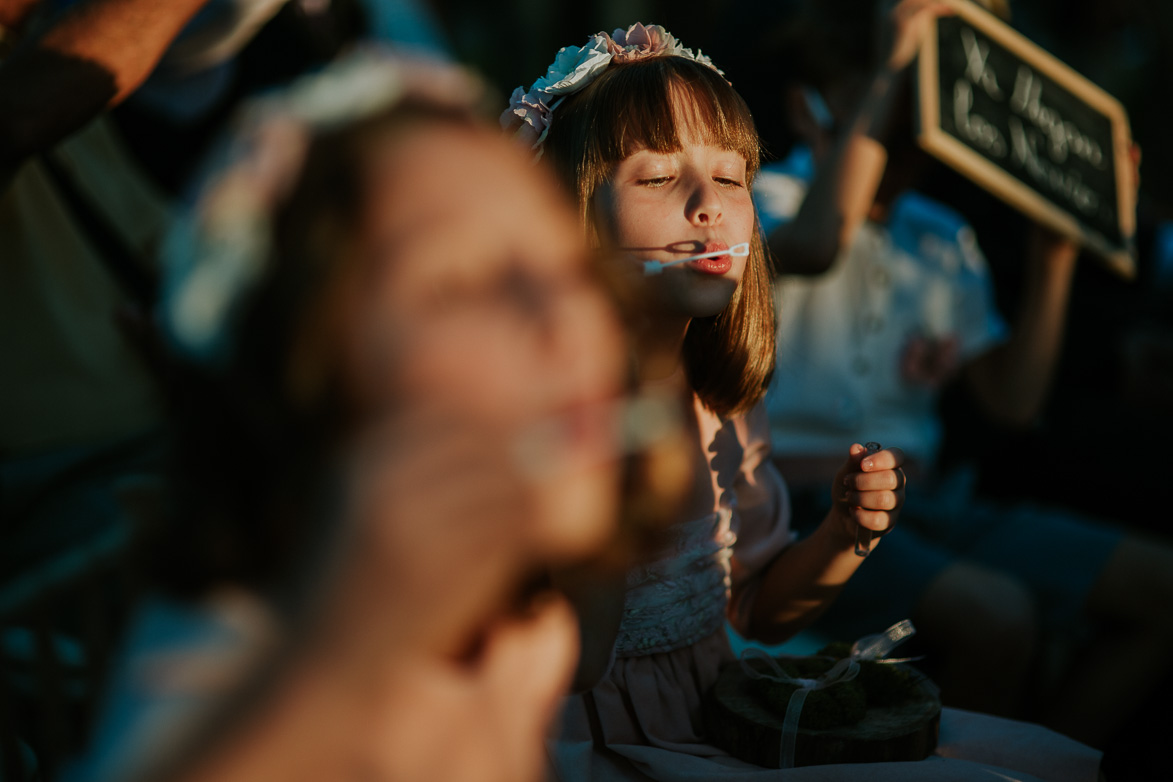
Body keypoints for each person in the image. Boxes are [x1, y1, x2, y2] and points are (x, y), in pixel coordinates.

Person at [503, 21, 1100, 782]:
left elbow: (759, 611)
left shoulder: (722, 402)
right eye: (655, 178)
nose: (708, 207)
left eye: (729, 178)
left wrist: (845, 532)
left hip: (719, 717)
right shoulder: (541, 418)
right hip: (590, 748)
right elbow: (573, 667)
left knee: (1060, 765)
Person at [63, 49, 642, 782]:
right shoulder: (224, 650)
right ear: (293, 377)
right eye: (464, 284)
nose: (560, 314)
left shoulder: (524, 633)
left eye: (569, 269)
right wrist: (344, 658)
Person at [752, 0, 1173, 751]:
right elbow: (819, 243)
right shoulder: (764, 202)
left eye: (914, 108)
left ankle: (1036, 764)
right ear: (806, 105)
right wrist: (891, 61)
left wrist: (1055, 252)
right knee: (997, 614)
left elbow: (1012, 401)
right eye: (874, 103)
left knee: (1157, 588)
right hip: (808, 511)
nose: (896, 131)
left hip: (934, 505)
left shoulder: (941, 236)